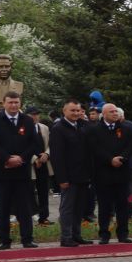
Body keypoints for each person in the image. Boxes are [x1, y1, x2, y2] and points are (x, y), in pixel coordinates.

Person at [0, 90, 41, 248]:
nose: (13, 105)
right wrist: (8, 159)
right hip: (1, 172)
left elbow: (34, 143)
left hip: (22, 172)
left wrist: (21, 158)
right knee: (2, 208)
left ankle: (27, 239)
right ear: (4, 103)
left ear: (20, 104)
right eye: (10, 102)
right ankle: (4, 241)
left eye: (16, 102)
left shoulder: (27, 121)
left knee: (25, 207)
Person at [89, 101, 132, 243]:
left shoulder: (126, 128)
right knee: (105, 206)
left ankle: (123, 234)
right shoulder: (95, 130)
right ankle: (104, 234)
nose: (115, 113)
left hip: (122, 172)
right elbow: (95, 149)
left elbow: (131, 146)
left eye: (116, 111)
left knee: (122, 205)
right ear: (104, 114)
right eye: (112, 112)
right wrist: (110, 159)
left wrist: (122, 158)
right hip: (103, 173)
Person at [49, 100, 92, 246]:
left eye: (78, 110)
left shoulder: (83, 125)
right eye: (72, 110)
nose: (75, 113)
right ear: (64, 111)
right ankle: (66, 237)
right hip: (68, 176)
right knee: (67, 208)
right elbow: (56, 156)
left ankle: (76, 235)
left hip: (82, 175)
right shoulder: (58, 128)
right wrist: (61, 178)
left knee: (79, 207)